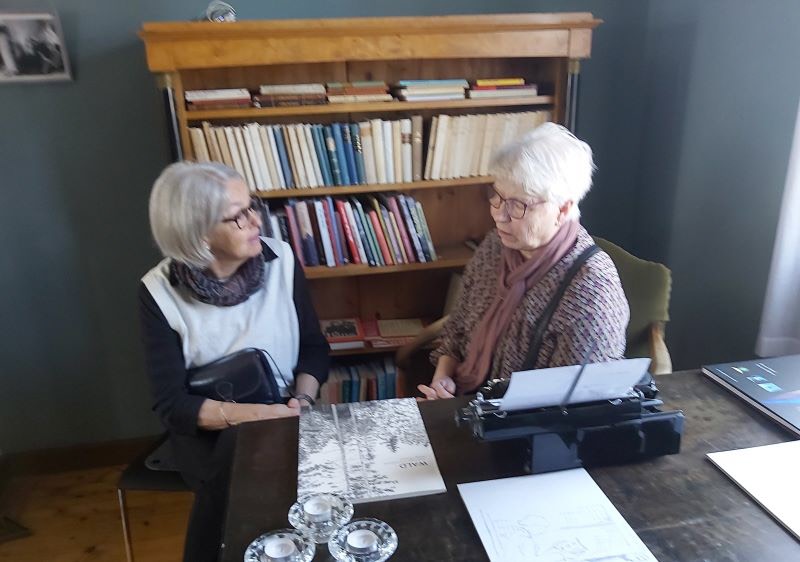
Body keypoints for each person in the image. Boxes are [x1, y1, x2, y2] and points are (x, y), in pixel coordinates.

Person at [139, 161, 329, 561]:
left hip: (290, 411)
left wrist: (303, 401)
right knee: (245, 507)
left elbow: (314, 348)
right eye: (237, 216)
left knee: (322, 503)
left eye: (252, 206)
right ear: (198, 234)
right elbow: (173, 406)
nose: (256, 221)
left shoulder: (281, 259)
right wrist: (260, 417)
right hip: (214, 434)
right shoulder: (158, 292)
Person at [419, 123, 629, 399]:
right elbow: (457, 330)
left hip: (521, 421)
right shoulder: (496, 246)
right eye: (497, 196)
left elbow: (573, 408)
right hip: (463, 399)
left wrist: (468, 413)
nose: (499, 215)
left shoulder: (591, 291)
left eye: (519, 205)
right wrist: (443, 377)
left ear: (562, 209)